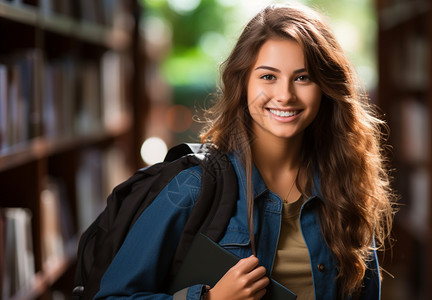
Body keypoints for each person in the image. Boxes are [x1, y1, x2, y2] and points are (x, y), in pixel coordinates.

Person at [94, 3, 395, 300]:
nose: (285, 95)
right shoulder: (194, 187)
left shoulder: (343, 185)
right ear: (243, 83)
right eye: (268, 76)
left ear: (325, 87)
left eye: (303, 77)